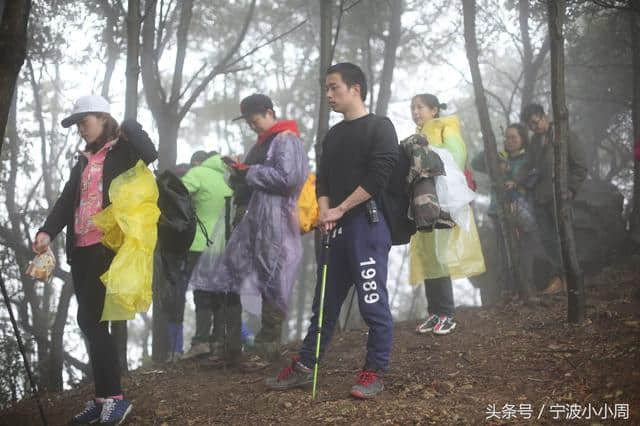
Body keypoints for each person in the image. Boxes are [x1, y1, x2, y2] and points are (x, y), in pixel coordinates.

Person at [265, 63, 398, 399]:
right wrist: (325, 209)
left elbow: (378, 176)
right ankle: (306, 365)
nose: (328, 95)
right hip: (333, 228)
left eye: (334, 87)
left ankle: (374, 371)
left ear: (355, 88)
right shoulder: (333, 136)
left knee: (372, 302)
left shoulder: (380, 127)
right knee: (323, 304)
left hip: (367, 226)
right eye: (326, 88)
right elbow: (322, 178)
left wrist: (340, 209)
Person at [33, 95, 157, 425]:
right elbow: (65, 201)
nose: (80, 130)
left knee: (94, 319)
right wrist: (47, 232)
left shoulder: (123, 150)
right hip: (82, 249)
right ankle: (103, 399)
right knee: (89, 321)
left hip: (109, 246)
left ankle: (114, 398)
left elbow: (152, 154)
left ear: (103, 118)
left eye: (83, 122)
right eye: (76, 125)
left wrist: (130, 125)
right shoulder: (84, 160)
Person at [194, 93, 308, 365]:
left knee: (272, 281)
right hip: (248, 220)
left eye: (254, 120)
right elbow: (251, 180)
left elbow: (288, 178)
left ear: (269, 112)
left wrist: (248, 171)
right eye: (248, 122)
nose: (252, 126)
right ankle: (228, 347)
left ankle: (265, 349)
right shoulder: (263, 143)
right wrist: (238, 173)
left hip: (273, 221)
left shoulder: (286, 139)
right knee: (229, 277)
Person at [410, 93, 485, 336]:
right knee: (428, 255)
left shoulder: (446, 127)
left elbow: (457, 156)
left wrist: (426, 151)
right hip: (423, 202)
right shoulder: (416, 135)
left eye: (419, 107)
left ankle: (447, 313)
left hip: (443, 201)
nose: (415, 112)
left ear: (434, 110)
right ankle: (434, 312)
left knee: (440, 255)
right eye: (412, 108)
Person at [520, 103, 588, 294]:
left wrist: (571, 190)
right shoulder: (535, 141)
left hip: (561, 197)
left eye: (536, 122)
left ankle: (573, 280)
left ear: (544, 115)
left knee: (566, 239)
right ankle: (559, 278)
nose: (535, 128)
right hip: (540, 199)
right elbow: (529, 166)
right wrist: (520, 180)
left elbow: (580, 167)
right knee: (548, 241)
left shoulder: (564, 136)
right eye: (531, 126)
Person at [181, 150, 233, 360]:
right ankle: (218, 340)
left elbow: (178, 193)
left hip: (200, 243)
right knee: (219, 294)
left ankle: (201, 342)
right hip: (224, 245)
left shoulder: (197, 173)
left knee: (201, 292)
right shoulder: (226, 177)